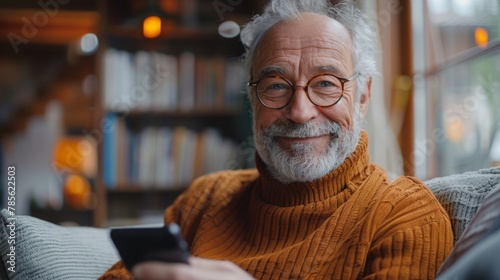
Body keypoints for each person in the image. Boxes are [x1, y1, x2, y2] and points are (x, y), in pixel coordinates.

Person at [100, 0, 454, 279]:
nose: (300, 112)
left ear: (362, 97)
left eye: (326, 84)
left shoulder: (407, 216)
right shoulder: (203, 200)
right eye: (276, 86)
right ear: (253, 100)